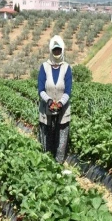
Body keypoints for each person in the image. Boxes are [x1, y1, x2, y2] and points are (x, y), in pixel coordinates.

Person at [38, 35, 72, 163]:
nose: (56, 52)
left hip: (63, 109)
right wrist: (50, 101)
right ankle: (47, 162)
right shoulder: (44, 67)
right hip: (47, 107)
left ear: (62, 50)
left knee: (61, 138)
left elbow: (68, 90)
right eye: (54, 50)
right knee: (47, 137)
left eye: (58, 50)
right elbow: (40, 89)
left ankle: (58, 164)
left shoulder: (66, 67)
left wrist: (61, 103)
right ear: (51, 51)